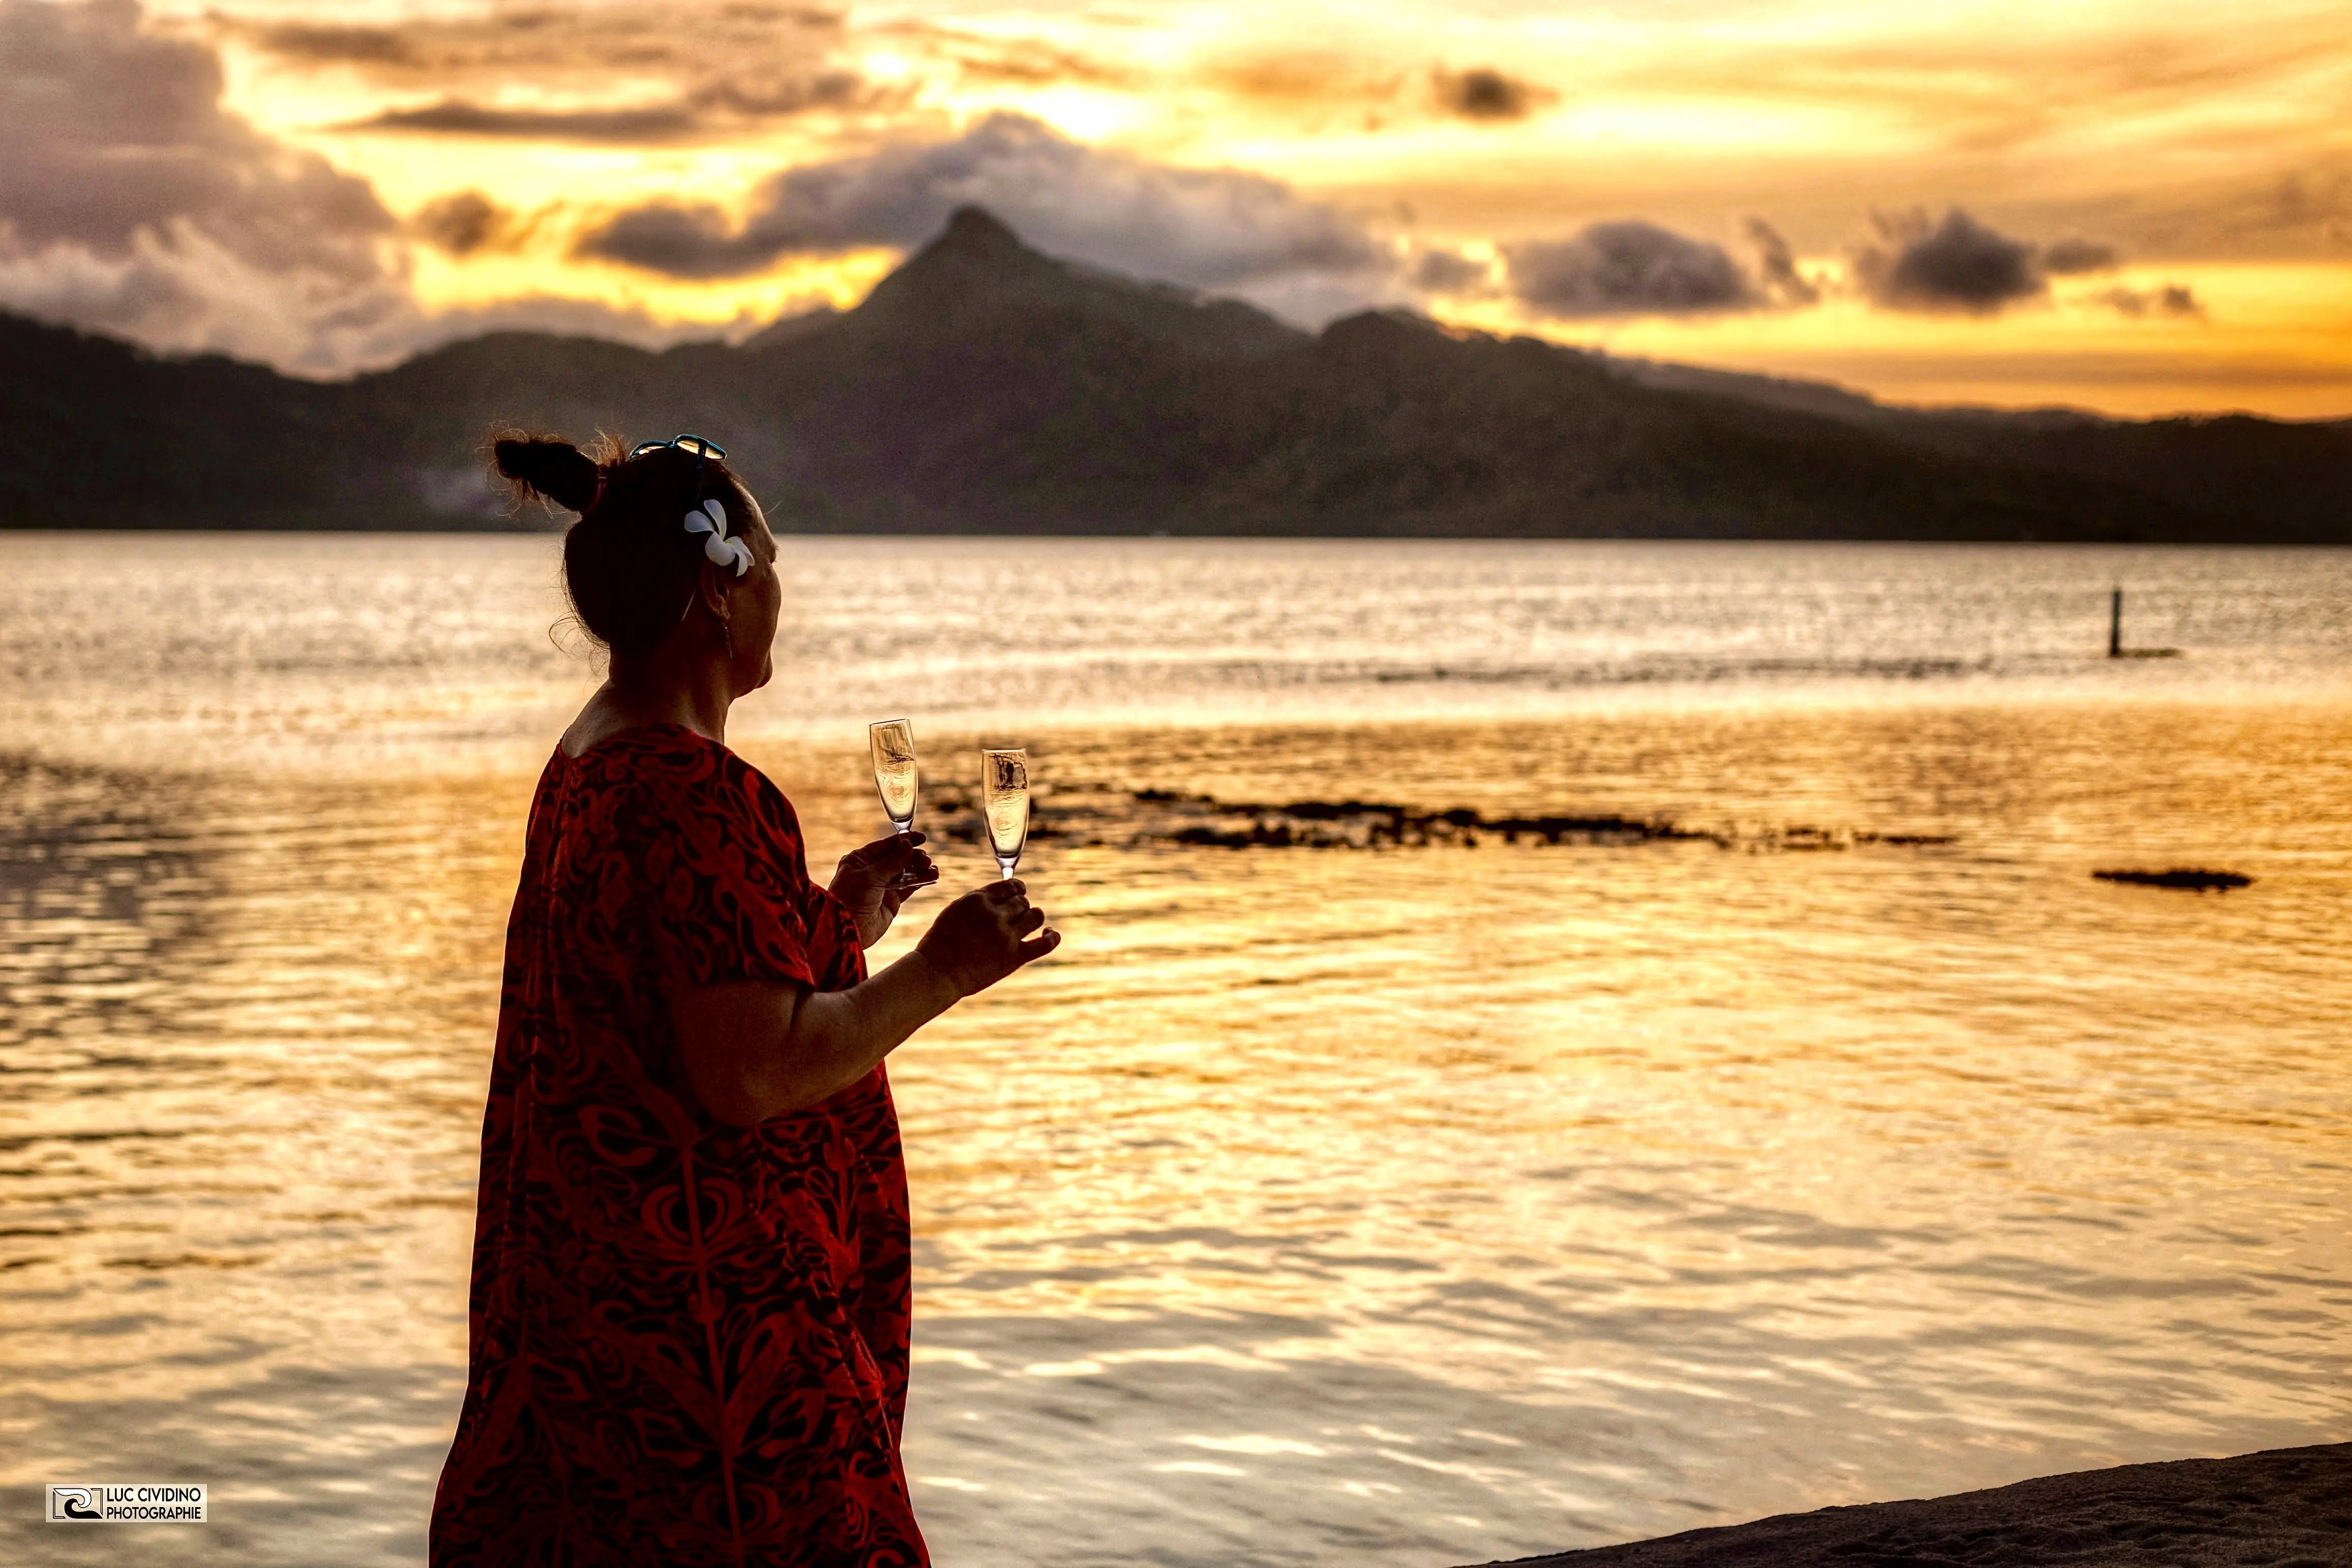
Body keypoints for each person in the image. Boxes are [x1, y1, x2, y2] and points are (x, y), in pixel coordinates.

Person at [430, 433, 1059, 1566]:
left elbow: (670, 994)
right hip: (712, 1338)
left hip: (591, 1311)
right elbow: (751, 1072)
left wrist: (836, 926)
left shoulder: (591, 758)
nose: (780, 590)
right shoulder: (690, 789)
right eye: (767, 562)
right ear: (720, 592)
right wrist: (943, 970)